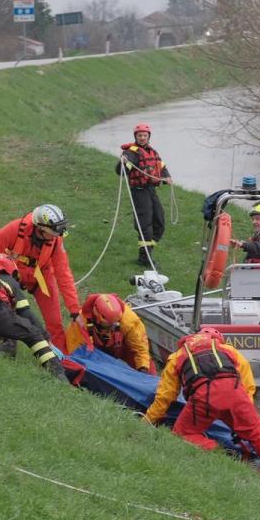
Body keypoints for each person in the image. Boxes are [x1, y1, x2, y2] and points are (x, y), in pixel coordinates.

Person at [143, 328, 260, 463]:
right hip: (235, 394)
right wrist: (244, 416)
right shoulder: (229, 350)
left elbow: (165, 396)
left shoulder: (177, 356)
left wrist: (147, 421)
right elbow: (248, 386)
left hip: (204, 399)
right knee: (257, 433)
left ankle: (220, 452)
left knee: (182, 434)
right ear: (218, 340)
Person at [0, 204, 80, 352]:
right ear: (41, 228)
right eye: (54, 232)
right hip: (12, 274)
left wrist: (75, 310)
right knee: (6, 309)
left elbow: (64, 274)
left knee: (55, 322)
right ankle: (5, 341)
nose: (57, 236)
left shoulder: (55, 241)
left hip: (41, 277)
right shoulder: (15, 229)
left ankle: (62, 359)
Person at [116, 122, 172, 267]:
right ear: (136, 136)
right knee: (145, 224)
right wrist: (123, 163)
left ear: (148, 137)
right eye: (139, 135)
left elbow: (161, 167)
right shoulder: (131, 153)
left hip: (151, 190)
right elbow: (122, 171)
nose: (142, 138)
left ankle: (147, 251)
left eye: (144, 135)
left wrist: (166, 177)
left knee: (159, 222)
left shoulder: (153, 152)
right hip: (139, 192)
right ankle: (145, 257)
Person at [65, 293, 154, 374]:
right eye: (109, 325)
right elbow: (76, 353)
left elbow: (140, 348)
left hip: (120, 347)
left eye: (116, 323)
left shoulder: (129, 320)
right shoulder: (81, 322)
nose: (112, 327)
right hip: (94, 352)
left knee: (147, 366)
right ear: (97, 317)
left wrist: (143, 368)